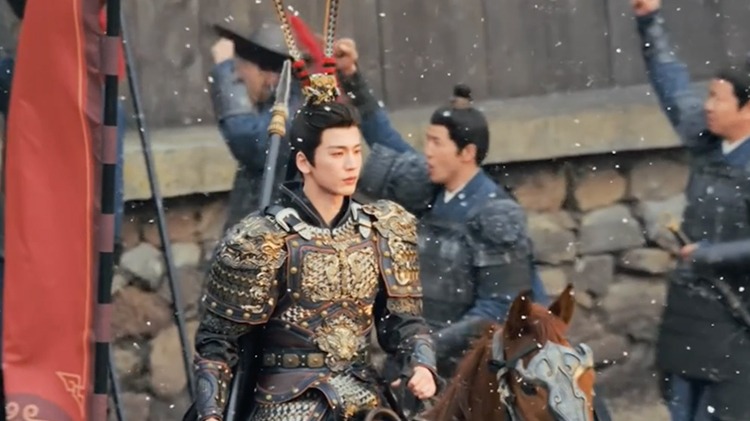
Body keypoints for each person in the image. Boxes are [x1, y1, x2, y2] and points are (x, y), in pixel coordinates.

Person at [191, 73, 438, 421]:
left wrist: (422, 364)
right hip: (285, 404)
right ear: (304, 162)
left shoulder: (383, 229)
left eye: (356, 151)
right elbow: (218, 343)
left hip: (365, 399)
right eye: (337, 153)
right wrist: (211, 414)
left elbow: (404, 322)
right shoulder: (262, 240)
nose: (351, 164)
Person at [333, 39, 548, 378]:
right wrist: (351, 80)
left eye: (436, 143)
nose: (428, 152)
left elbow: (498, 308)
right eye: (427, 142)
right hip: (423, 358)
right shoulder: (429, 187)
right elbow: (387, 141)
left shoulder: (496, 215)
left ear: (467, 153)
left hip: (481, 370)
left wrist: (427, 348)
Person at [632, 0, 750, 420]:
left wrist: (710, 255)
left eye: (719, 98)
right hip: (691, 308)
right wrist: (649, 21)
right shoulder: (706, 140)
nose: (708, 105)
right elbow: (672, 83)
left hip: (739, 314)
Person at [208, 21, 304, 231]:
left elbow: (250, 142)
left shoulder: (294, 113)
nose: (237, 78)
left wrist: (225, 73)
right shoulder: (280, 107)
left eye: (239, 72)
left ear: (268, 75)